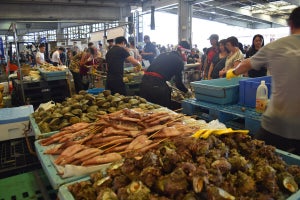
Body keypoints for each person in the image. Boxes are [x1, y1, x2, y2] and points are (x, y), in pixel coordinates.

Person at [226, 6, 300, 155]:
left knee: (255, 159)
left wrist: (232, 72)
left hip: (275, 124)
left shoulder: (276, 46)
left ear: (290, 24)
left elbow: (246, 64)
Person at [139, 43, 191, 108]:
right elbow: (178, 83)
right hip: (156, 86)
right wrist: (187, 91)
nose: (186, 55)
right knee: (163, 111)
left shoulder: (163, 55)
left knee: (147, 110)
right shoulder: (179, 61)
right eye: (186, 53)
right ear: (183, 52)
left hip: (144, 82)